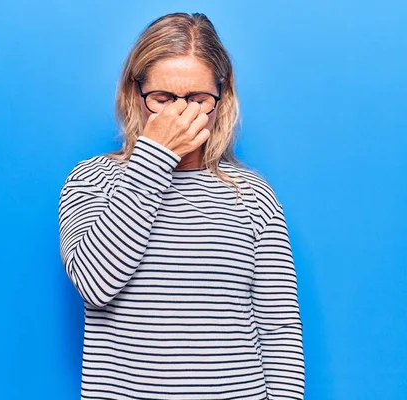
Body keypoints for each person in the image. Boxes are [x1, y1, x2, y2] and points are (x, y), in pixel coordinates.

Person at [58, 12, 305, 400]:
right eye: (162, 99)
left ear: (221, 98)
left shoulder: (253, 195)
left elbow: (279, 331)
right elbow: (95, 284)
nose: (180, 113)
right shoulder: (93, 180)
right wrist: (153, 156)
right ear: (134, 94)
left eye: (197, 99)